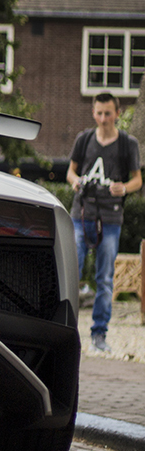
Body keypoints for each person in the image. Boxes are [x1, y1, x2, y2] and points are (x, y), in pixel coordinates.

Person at [66, 92, 142, 352]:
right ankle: (67, 329)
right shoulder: (84, 139)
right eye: (99, 113)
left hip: (110, 217)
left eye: (108, 113)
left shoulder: (127, 144)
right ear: (93, 113)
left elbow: (137, 180)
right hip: (81, 214)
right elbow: (70, 171)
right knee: (71, 271)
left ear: (117, 113)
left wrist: (124, 188)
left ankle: (99, 334)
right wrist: (75, 181)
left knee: (105, 278)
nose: (103, 118)